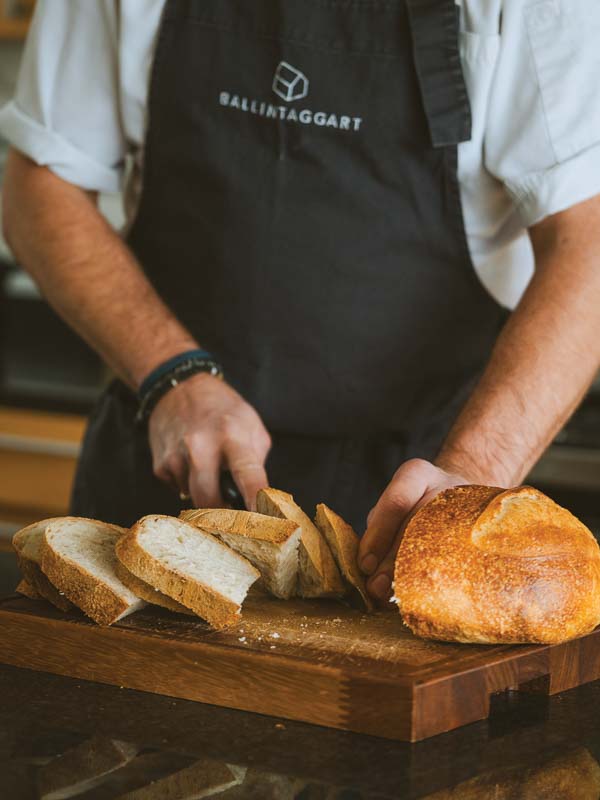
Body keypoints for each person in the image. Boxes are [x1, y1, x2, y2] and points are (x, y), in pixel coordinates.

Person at [2, 0, 600, 605]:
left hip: (414, 499)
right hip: (164, 470)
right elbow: (40, 180)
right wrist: (171, 374)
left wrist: (472, 474)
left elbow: (589, 241)